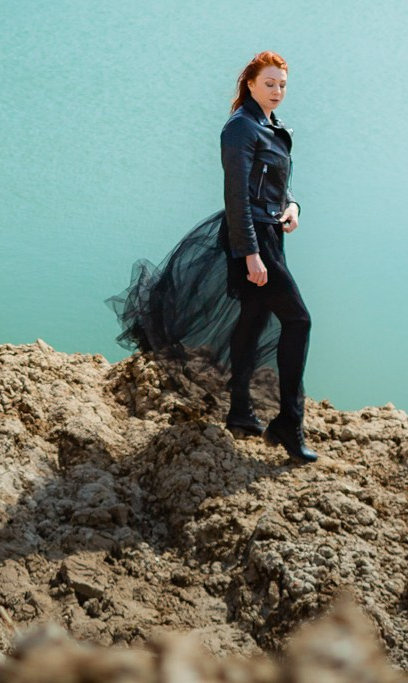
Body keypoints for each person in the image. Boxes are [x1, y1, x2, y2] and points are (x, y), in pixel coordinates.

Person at [108, 50, 317, 463]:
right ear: (251, 83)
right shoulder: (240, 127)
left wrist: (292, 207)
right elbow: (236, 195)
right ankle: (288, 424)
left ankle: (240, 409)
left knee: (254, 319)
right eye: (269, 83)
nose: (277, 91)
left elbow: (276, 183)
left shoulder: (269, 125)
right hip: (253, 238)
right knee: (299, 320)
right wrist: (252, 254)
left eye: (283, 85)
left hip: (270, 234)